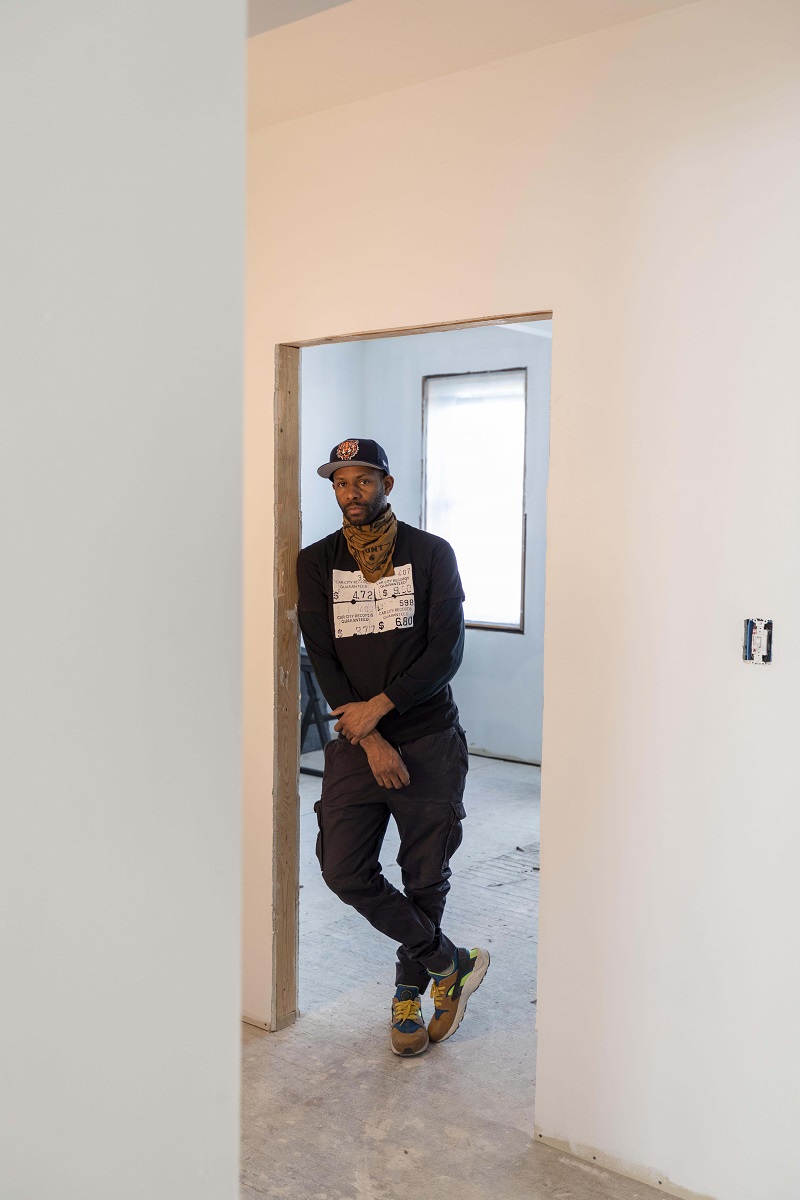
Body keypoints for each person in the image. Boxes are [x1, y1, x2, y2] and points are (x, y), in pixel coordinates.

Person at [296, 437, 489, 1057]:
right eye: (339, 482)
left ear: (387, 484)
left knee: (424, 875)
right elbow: (323, 655)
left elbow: (447, 650)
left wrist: (383, 706)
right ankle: (448, 962)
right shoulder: (317, 561)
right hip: (356, 742)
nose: (350, 493)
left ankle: (410, 994)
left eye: (362, 480)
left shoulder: (432, 554)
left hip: (430, 738)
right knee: (343, 868)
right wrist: (370, 734)